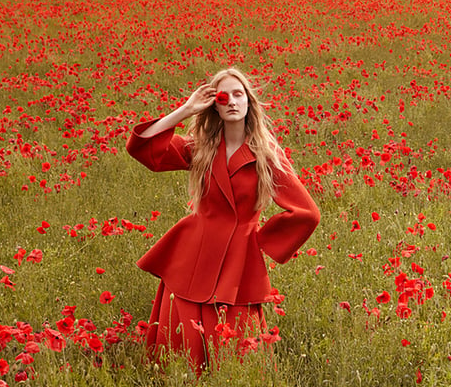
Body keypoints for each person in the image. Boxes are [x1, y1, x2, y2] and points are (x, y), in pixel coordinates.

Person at [126, 67, 320, 371]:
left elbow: (307, 212)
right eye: (222, 96)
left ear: (248, 103)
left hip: (238, 264)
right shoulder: (201, 149)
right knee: (179, 356)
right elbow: (143, 148)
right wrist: (186, 110)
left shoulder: (266, 155)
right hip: (190, 259)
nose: (231, 101)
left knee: (236, 358)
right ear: (213, 105)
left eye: (239, 94)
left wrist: (257, 241)